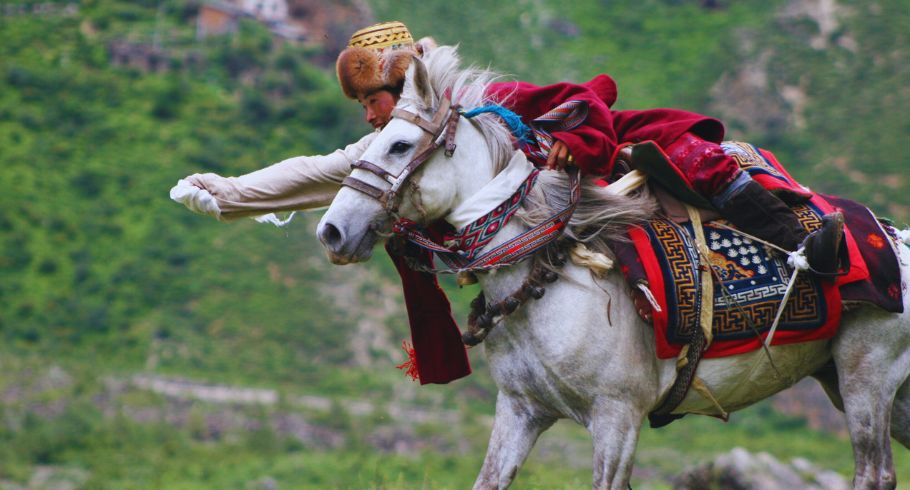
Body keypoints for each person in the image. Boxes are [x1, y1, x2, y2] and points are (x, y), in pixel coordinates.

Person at [172, 20, 845, 381]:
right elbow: (313, 173)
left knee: (694, 157)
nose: (369, 117)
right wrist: (227, 193)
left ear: (398, 83)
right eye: (363, 106)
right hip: (528, 240)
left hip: (590, 175)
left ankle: (800, 242)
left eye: (372, 100)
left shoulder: (489, 102)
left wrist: (574, 144)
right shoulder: (387, 145)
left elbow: (582, 101)